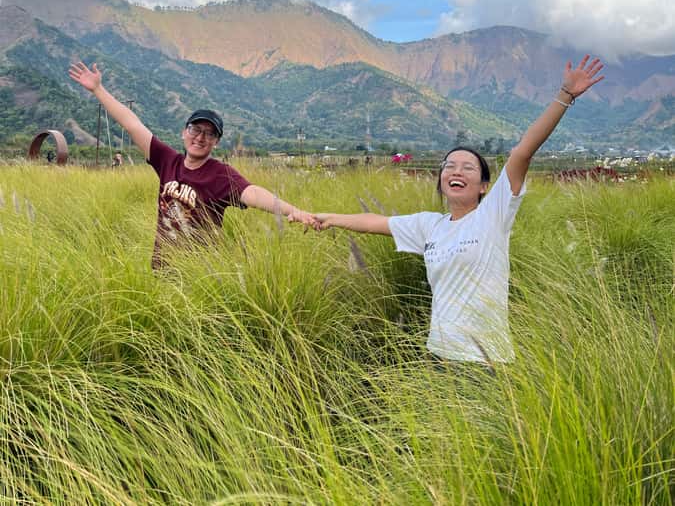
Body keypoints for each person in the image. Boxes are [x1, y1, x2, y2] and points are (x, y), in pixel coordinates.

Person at [306, 56, 604, 365]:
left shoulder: (493, 216)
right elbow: (374, 222)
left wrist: (564, 96)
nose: (455, 171)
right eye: (449, 166)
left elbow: (523, 152)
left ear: (484, 185)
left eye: (467, 168)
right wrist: (330, 218)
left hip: (486, 362)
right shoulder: (429, 226)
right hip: (439, 356)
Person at [69, 61, 320, 268]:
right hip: (162, 269)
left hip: (200, 274)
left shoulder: (221, 175)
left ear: (216, 142)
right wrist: (98, 90)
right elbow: (132, 123)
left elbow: (253, 193)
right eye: (195, 129)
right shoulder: (167, 160)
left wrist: (292, 211)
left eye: (209, 134)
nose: (200, 137)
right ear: (184, 132)